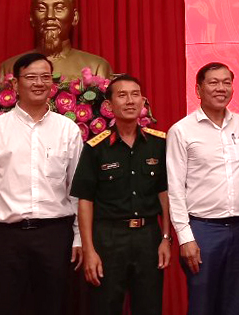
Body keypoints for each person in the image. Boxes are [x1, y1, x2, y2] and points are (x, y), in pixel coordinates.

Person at [0, 52, 84, 315]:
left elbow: (77, 190)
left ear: (52, 84)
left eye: (45, 77)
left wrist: (78, 236)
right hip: (5, 238)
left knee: (55, 307)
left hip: (54, 236)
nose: (39, 83)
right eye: (30, 77)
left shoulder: (68, 130)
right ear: (15, 84)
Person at [167, 62, 239, 315]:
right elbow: (175, 188)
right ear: (198, 89)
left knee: (238, 303)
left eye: (226, 82)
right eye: (213, 82)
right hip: (203, 230)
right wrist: (185, 237)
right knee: (202, 305)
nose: (221, 88)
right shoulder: (181, 130)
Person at [70, 74, 171, 315]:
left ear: (143, 102)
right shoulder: (96, 147)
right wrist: (89, 249)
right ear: (108, 105)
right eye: (122, 95)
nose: (130, 101)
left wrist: (166, 237)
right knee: (105, 306)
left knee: (149, 307)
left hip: (148, 237)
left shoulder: (159, 144)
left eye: (135, 95)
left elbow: (165, 193)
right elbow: (85, 201)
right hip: (108, 238)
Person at [1, 0, 112, 80]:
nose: (50, 16)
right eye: (41, 9)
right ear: (31, 18)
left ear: (75, 17)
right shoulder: (9, 68)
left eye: (59, 8)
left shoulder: (96, 67)